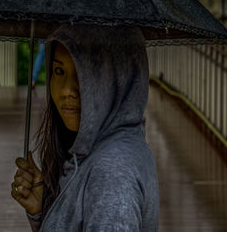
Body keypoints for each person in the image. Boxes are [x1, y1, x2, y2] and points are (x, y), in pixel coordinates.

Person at [11, 23, 159, 231]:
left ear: (119, 78)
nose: (66, 91)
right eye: (59, 71)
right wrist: (44, 213)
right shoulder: (102, 154)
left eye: (85, 74)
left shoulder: (112, 173)